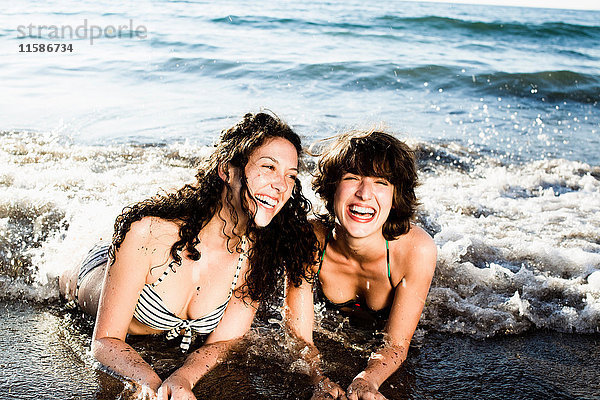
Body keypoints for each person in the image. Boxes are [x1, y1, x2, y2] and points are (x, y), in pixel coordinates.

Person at [59, 112, 317, 400]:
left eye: (290, 176)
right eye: (268, 167)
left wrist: (182, 378)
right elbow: (106, 341)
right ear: (227, 170)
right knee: (63, 283)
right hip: (92, 273)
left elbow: (223, 342)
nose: (281, 185)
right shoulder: (149, 233)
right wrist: (154, 385)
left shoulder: (258, 253)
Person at [284, 130, 437, 400]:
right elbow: (298, 337)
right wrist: (317, 380)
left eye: (381, 183)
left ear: (395, 196)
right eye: (352, 178)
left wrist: (367, 380)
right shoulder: (310, 241)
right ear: (332, 188)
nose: (365, 194)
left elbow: (397, 344)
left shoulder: (416, 250)